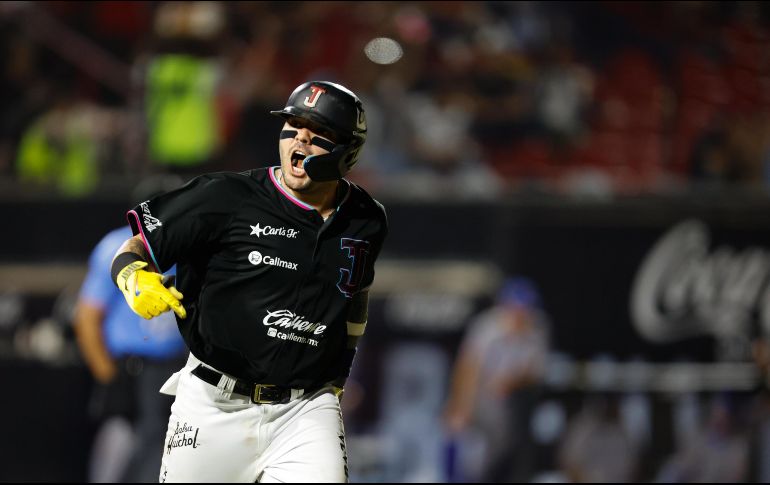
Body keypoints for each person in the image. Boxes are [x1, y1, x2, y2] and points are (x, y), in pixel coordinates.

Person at [108, 80, 388, 482]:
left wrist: (340, 374)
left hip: (305, 408)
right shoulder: (225, 196)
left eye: (318, 132)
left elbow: (355, 296)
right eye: (292, 125)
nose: (300, 138)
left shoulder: (367, 218)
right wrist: (133, 278)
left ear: (349, 150)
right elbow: (133, 247)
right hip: (213, 403)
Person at [73, 175, 188, 483]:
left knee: (165, 449)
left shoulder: (187, 247)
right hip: (130, 368)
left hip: (175, 365)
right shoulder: (118, 246)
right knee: (121, 443)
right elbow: (86, 318)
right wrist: (108, 377)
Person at [443, 276, 550, 483]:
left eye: (524, 309)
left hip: (510, 402)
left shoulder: (539, 328)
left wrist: (510, 381)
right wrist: (460, 405)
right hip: (477, 393)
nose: (519, 314)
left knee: (497, 453)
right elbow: (467, 366)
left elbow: (536, 372)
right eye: (515, 308)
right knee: (455, 436)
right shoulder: (488, 325)